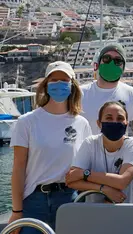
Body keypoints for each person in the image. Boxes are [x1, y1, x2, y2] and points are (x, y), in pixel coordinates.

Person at [9, 61, 92, 233]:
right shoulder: (26, 122)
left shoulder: (81, 124)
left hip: (70, 198)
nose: (59, 84)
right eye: (54, 80)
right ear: (46, 85)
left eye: (64, 80)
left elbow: (87, 164)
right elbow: (18, 168)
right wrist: (17, 211)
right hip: (34, 200)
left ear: (72, 85)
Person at [80, 43, 133, 180]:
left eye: (118, 61)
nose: (112, 63)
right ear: (98, 63)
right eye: (107, 59)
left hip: (121, 169)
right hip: (88, 169)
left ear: (123, 67)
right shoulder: (81, 93)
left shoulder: (131, 93)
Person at [66, 101, 133, 203]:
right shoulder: (90, 143)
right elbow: (71, 180)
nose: (114, 122)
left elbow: (122, 182)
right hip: (94, 215)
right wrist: (104, 190)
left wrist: (84, 174)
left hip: (126, 214)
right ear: (99, 123)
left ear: (126, 124)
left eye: (120, 119)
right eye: (109, 118)